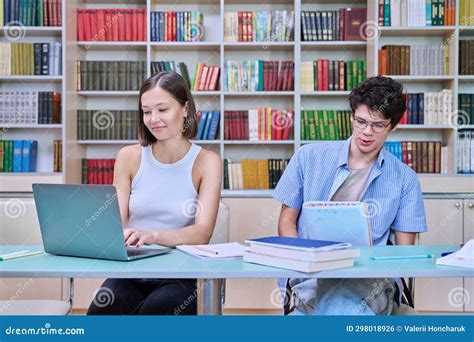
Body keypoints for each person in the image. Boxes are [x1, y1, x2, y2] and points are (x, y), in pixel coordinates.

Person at [273, 76, 428, 315]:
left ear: (393, 126)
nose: (367, 132)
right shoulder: (308, 158)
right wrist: (303, 260)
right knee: (342, 309)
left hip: (371, 281)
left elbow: (403, 255)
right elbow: (286, 222)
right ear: (351, 116)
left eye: (378, 125)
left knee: (337, 304)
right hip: (311, 275)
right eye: (361, 121)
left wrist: (367, 265)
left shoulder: (404, 178)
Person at [88, 71, 222, 315]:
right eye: (146, 111)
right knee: (101, 313)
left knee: (157, 313)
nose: (153, 119)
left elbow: (202, 233)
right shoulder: (128, 157)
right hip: (130, 272)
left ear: (185, 109)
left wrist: (153, 235)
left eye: (162, 109)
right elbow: (115, 224)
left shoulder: (207, 162)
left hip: (180, 273)